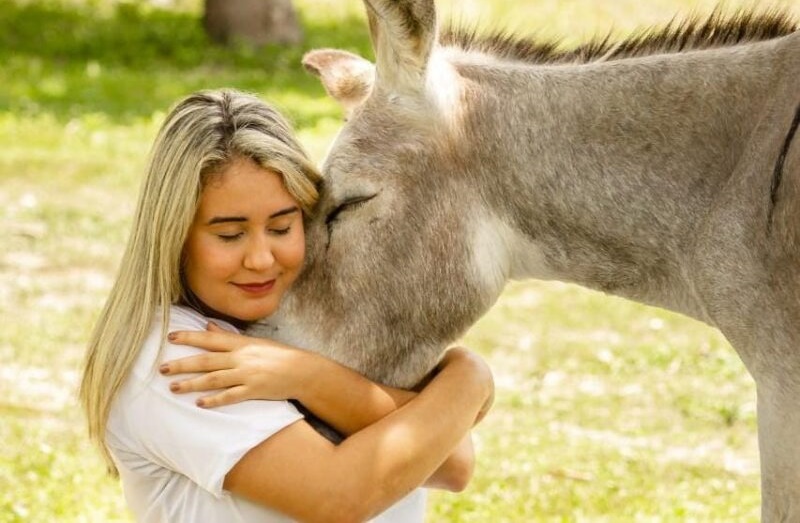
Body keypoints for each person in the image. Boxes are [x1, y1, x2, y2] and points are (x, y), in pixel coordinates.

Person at [79, 88, 494, 523]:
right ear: (174, 235)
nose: (261, 259)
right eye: (229, 235)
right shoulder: (173, 356)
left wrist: (307, 377)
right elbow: (336, 498)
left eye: (281, 227)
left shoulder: (300, 329)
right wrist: (470, 377)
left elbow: (451, 461)